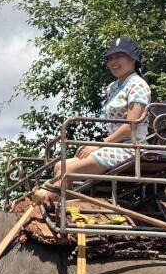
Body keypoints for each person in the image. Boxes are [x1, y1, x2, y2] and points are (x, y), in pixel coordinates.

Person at [56, 37, 151, 189]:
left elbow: (130, 127)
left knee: (67, 170)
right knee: (59, 166)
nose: (113, 62)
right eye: (110, 58)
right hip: (113, 146)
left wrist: (99, 145)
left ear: (132, 59)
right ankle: (59, 207)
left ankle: (51, 204)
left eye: (119, 56)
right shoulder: (113, 87)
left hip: (131, 147)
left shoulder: (137, 85)